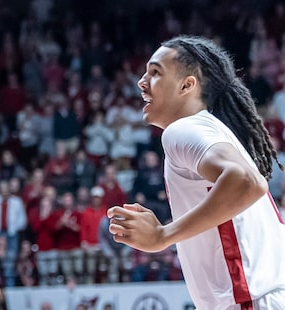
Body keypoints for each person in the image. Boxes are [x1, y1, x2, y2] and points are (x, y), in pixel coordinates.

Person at [109, 36, 285, 309]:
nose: (142, 82)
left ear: (187, 85)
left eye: (155, 72)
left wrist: (162, 235)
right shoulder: (211, 129)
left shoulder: (183, 129)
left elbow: (248, 182)